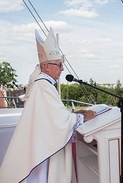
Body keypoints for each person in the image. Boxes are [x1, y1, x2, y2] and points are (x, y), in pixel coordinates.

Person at [0, 27, 96, 183]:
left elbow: (52, 115)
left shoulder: (43, 84)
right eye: (59, 64)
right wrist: (83, 118)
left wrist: (74, 114)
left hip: (43, 142)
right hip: (44, 150)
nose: (62, 68)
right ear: (46, 66)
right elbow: (56, 120)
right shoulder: (43, 86)